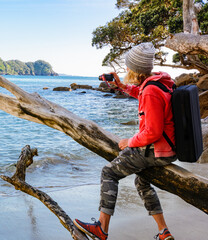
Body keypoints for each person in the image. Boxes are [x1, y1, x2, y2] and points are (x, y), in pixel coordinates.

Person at [74, 42, 176, 240]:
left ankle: (102, 229)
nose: (126, 69)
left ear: (136, 70)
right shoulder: (158, 83)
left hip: (156, 151)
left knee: (108, 173)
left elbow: (153, 132)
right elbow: (140, 93)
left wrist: (129, 141)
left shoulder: (150, 91)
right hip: (167, 149)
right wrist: (121, 87)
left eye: (128, 67)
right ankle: (163, 231)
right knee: (142, 182)